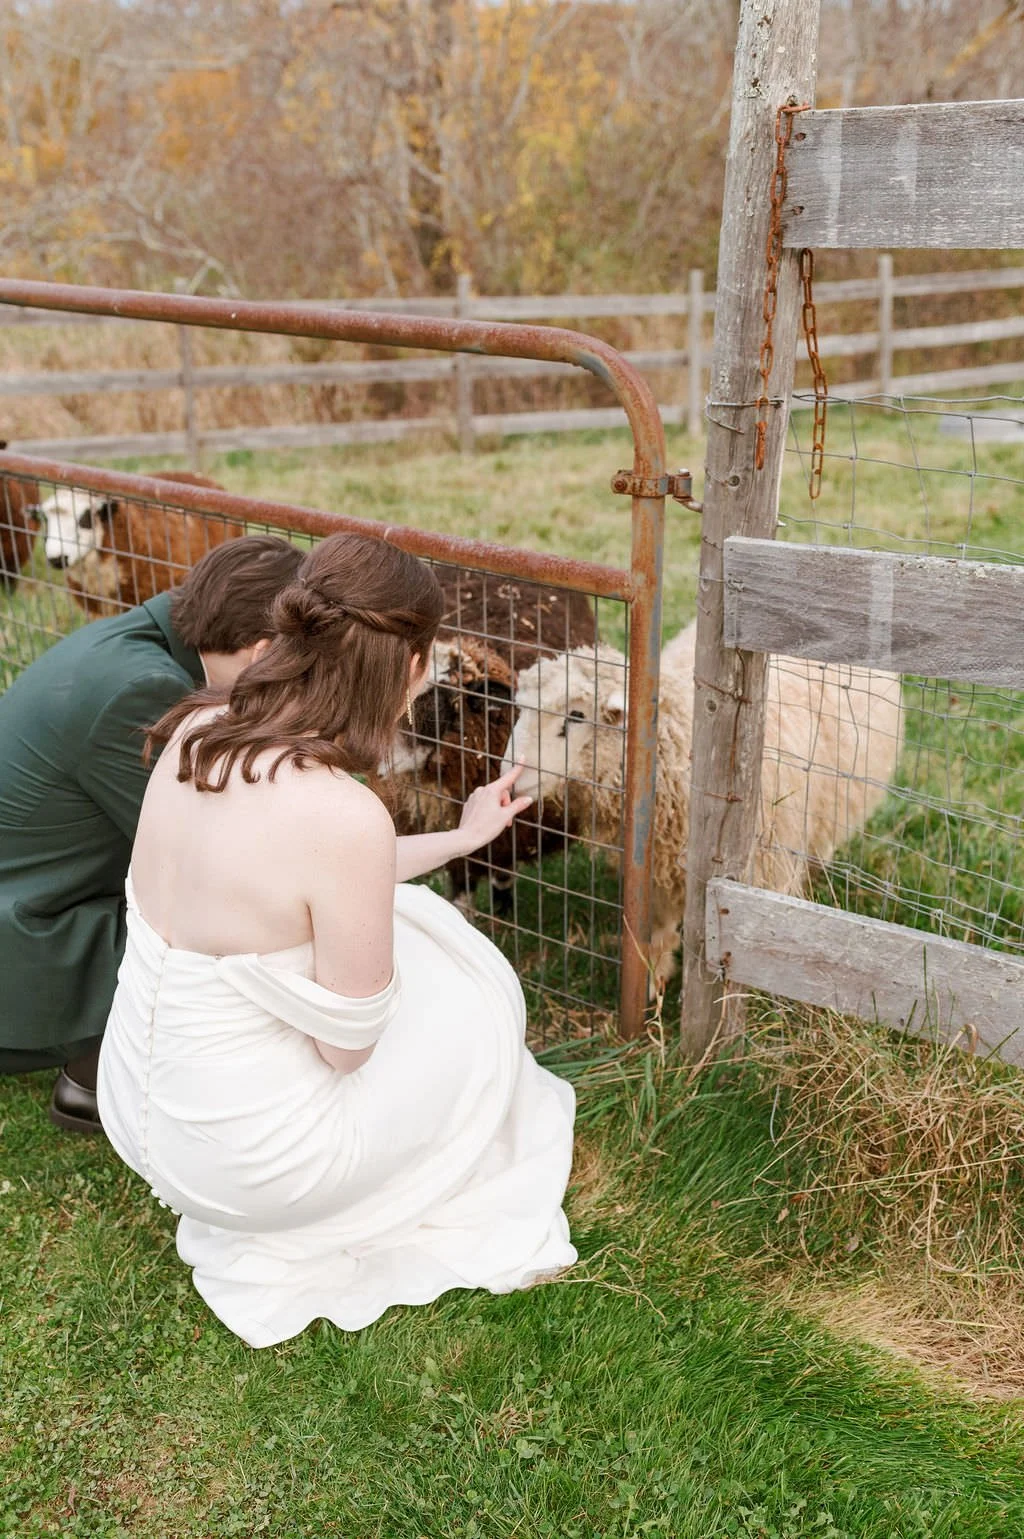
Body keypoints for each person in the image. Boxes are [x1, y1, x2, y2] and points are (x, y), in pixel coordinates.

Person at [98, 531, 577, 1347]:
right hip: (256, 1165)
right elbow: (346, 1051)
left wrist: (464, 839)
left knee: (415, 921)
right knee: (478, 993)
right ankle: (396, 1183)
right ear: (413, 665)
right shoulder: (343, 812)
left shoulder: (199, 730)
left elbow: (308, 869)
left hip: (141, 1110)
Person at [0, 534, 304, 1131]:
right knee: (239, 918)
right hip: (26, 937)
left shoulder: (134, 648)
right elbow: (217, 857)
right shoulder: (146, 691)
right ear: (263, 652)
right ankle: (94, 1076)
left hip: (35, 895)